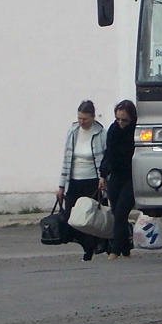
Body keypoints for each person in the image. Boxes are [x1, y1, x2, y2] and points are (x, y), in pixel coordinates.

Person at [56, 99, 108, 261]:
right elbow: (66, 159)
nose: (81, 122)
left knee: (91, 217)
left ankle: (95, 246)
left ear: (92, 117)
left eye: (85, 119)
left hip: (92, 181)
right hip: (74, 181)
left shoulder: (101, 134)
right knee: (73, 217)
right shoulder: (72, 132)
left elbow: (106, 159)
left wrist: (103, 177)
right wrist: (61, 186)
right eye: (79, 118)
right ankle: (87, 245)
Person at [100, 99, 137, 260]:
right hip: (115, 175)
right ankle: (126, 250)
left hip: (131, 176)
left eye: (124, 120)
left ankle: (115, 250)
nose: (121, 122)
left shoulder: (136, 131)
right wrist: (103, 174)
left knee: (122, 212)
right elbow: (108, 153)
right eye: (118, 119)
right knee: (116, 213)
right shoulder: (113, 130)